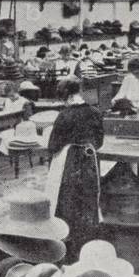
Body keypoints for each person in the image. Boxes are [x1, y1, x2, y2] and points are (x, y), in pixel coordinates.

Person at [46, 78, 105, 259]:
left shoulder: (64, 116)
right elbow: (99, 141)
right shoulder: (95, 112)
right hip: (89, 159)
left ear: (65, 96)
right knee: (87, 199)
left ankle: (67, 244)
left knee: (66, 200)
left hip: (68, 160)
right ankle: (87, 242)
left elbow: (53, 145)